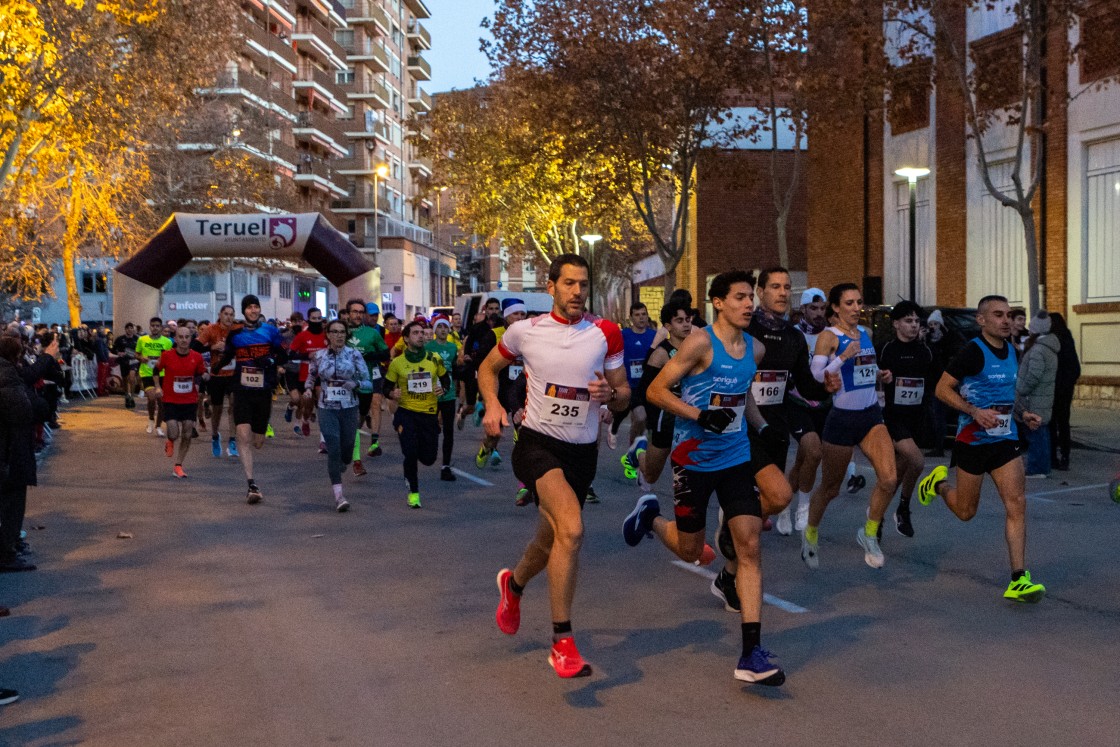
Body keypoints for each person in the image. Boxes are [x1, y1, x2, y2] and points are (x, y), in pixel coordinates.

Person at [625, 270, 788, 686]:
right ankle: (651, 517)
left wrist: (763, 426)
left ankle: (751, 651)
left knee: (749, 547)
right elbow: (656, 392)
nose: (749, 304)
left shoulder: (755, 349)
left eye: (751, 297)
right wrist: (699, 415)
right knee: (690, 550)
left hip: (735, 456)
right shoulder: (700, 343)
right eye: (739, 297)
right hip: (692, 459)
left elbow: (743, 393)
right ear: (718, 302)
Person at [481, 253, 630, 679]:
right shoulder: (524, 332)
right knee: (573, 528)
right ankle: (562, 641)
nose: (577, 292)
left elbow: (624, 393)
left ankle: (513, 585)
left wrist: (611, 396)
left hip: (582, 453)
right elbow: (488, 369)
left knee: (551, 541)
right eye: (568, 284)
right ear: (551, 287)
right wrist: (492, 404)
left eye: (583, 284)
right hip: (536, 445)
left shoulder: (606, 334)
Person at [917, 295, 1047, 602]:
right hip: (973, 441)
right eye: (998, 315)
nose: (1005, 320)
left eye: (1008, 315)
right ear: (982, 320)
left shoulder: (1013, 350)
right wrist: (975, 412)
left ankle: (1018, 579)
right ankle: (938, 484)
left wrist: (1022, 414)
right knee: (966, 512)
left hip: (1004, 440)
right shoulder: (971, 352)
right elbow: (941, 389)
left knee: (1016, 503)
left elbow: (1006, 395)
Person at [802, 283, 898, 570]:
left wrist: (881, 374)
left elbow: (863, 370)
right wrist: (843, 356)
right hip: (842, 419)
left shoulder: (865, 335)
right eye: (849, 303)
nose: (857, 308)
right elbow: (816, 375)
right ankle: (810, 534)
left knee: (889, 479)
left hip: (870, 415)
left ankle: (868, 534)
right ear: (835, 307)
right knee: (831, 488)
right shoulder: (829, 337)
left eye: (859, 302)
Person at [742, 269, 835, 540]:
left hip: (775, 428)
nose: (783, 292)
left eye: (786, 287)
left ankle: (739, 525)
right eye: (775, 287)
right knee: (750, 492)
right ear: (760, 292)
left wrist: (825, 388)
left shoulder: (793, 337)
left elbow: (806, 385)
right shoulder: (747, 330)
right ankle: (736, 535)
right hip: (742, 426)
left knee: (777, 497)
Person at [211, 295, 285, 504]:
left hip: (262, 391)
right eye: (249, 308)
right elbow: (228, 354)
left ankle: (258, 435)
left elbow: (283, 356)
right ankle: (251, 484)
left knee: (258, 442)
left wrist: (269, 360)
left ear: (259, 310)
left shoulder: (270, 331)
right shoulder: (235, 333)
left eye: (256, 307)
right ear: (244, 312)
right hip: (241, 389)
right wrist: (217, 366)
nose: (253, 310)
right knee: (243, 435)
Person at [875, 301, 937, 537]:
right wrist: (880, 376)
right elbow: (866, 375)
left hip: (916, 418)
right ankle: (903, 508)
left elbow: (938, 381)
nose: (914, 325)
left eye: (917, 321)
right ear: (896, 324)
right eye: (909, 321)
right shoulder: (885, 349)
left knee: (895, 476)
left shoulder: (926, 352)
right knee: (918, 461)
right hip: (892, 417)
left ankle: (877, 515)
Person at [627, 301, 693, 495]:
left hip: (691, 416)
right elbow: (644, 389)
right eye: (679, 321)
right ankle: (639, 451)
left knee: (689, 470)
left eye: (688, 320)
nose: (686, 325)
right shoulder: (661, 354)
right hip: (666, 418)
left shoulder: (698, 349)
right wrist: (640, 409)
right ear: (668, 326)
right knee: (651, 474)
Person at [305, 319, 371, 512]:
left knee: (347, 448)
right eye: (335, 331)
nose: (339, 335)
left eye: (342, 331)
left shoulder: (354, 355)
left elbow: (368, 382)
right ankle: (339, 496)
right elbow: (311, 376)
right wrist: (308, 389)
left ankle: (343, 461)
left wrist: (356, 384)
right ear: (328, 335)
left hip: (350, 407)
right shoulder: (318, 356)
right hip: (326, 407)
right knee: (333, 445)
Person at [384, 320, 450, 508]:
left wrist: (443, 389)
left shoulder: (434, 358)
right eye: (415, 333)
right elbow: (386, 386)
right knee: (410, 453)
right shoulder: (397, 363)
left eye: (422, 332)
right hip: (406, 413)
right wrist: (391, 393)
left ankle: (417, 456)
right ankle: (413, 492)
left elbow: (446, 379)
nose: (421, 336)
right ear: (406, 338)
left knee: (429, 459)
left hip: (429, 414)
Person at [786, 288, 831, 533]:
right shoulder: (793, 335)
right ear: (803, 309)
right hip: (797, 402)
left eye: (822, 308)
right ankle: (803, 508)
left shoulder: (831, 335)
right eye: (813, 308)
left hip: (822, 404)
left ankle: (783, 505)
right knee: (813, 452)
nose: (818, 313)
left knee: (804, 459)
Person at [0, 335, 38, 573]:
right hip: (9, 450)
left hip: (9, 448)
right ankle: (6, 551)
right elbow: (24, 411)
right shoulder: (7, 376)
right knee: (12, 502)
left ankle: (9, 545)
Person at [474, 300, 525, 469]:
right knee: (496, 432)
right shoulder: (495, 334)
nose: (519, 318)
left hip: (521, 390)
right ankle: (486, 447)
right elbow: (483, 363)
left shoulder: (530, 335)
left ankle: (523, 483)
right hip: (501, 388)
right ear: (506, 315)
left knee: (523, 433)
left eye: (522, 314)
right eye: (515, 314)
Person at [152, 326, 208, 478]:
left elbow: (200, 372)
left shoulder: (197, 356)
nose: (184, 340)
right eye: (181, 337)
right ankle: (170, 441)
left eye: (187, 337)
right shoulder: (167, 356)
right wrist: (157, 387)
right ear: (175, 339)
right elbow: (156, 370)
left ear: (191, 338)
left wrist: (205, 376)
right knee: (173, 432)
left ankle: (178, 465)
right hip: (170, 399)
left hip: (189, 400)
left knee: (188, 431)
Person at [344, 300, 390, 476]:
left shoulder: (372, 333)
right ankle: (357, 461)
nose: (357, 315)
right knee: (354, 418)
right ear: (348, 314)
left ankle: (372, 440)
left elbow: (385, 353)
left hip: (368, 381)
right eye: (354, 312)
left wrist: (371, 355)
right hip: (346, 383)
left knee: (362, 415)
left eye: (360, 312)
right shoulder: (341, 332)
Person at [1016, 311, 1059, 478]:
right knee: (1041, 432)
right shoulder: (1048, 348)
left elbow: (1034, 374)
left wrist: (1022, 389)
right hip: (1043, 396)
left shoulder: (1038, 350)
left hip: (1034, 398)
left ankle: (1036, 468)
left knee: (1035, 433)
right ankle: (1042, 466)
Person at [611, 302, 656, 454]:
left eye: (644, 314)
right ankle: (632, 449)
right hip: (630, 386)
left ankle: (636, 447)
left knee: (642, 421)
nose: (641, 318)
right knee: (640, 417)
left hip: (648, 386)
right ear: (631, 318)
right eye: (637, 315)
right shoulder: (623, 335)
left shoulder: (653, 336)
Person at [198, 305, 240, 459]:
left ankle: (233, 440)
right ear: (220, 315)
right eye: (226, 314)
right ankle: (215, 436)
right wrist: (213, 347)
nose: (229, 317)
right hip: (216, 375)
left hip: (234, 374)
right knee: (218, 409)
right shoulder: (210, 329)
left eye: (231, 314)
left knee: (234, 406)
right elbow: (196, 348)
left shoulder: (237, 330)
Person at [425, 315, 461, 481]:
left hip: (449, 394)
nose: (443, 330)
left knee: (449, 431)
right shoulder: (428, 347)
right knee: (430, 428)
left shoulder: (453, 348)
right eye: (439, 327)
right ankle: (429, 451)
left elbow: (455, 369)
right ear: (435, 330)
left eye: (445, 327)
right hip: (432, 394)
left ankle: (445, 466)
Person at [286, 308, 327, 438]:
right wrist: (306, 355)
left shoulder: (326, 335)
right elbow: (291, 354)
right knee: (307, 404)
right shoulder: (302, 336)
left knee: (321, 400)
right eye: (314, 318)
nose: (317, 321)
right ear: (309, 320)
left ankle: (324, 436)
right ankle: (305, 419)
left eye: (319, 318)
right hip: (306, 374)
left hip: (322, 374)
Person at [1048, 312, 1080, 471]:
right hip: (1064, 390)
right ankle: (1064, 456)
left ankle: (1053, 457)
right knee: (1063, 423)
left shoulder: (1051, 342)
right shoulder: (1068, 339)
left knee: (1052, 424)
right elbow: (1075, 368)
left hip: (1054, 389)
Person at [136, 317, 172, 436]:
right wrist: (142, 358)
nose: (155, 328)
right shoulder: (142, 339)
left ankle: (158, 426)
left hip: (162, 374)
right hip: (147, 373)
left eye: (157, 326)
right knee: (151, 398)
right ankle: (151, 419)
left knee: (161, 401)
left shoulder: (167, 342)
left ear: (161, 327)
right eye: (153, 325)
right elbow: (137, 354)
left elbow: (170, 357)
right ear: (150, 327)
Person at [113, 322, 140, 408]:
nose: (129, 329)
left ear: (133, 329)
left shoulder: (138, 339)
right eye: (127, 328)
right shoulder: (120, 339)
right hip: (124, 361)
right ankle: (126, 396)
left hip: (134, 361)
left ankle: (132, 396)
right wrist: (118, 353)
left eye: (131, 328)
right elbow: (113, 349)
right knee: (125, 379)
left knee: (132, 378)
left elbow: (142, 349)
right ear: (125, 329)